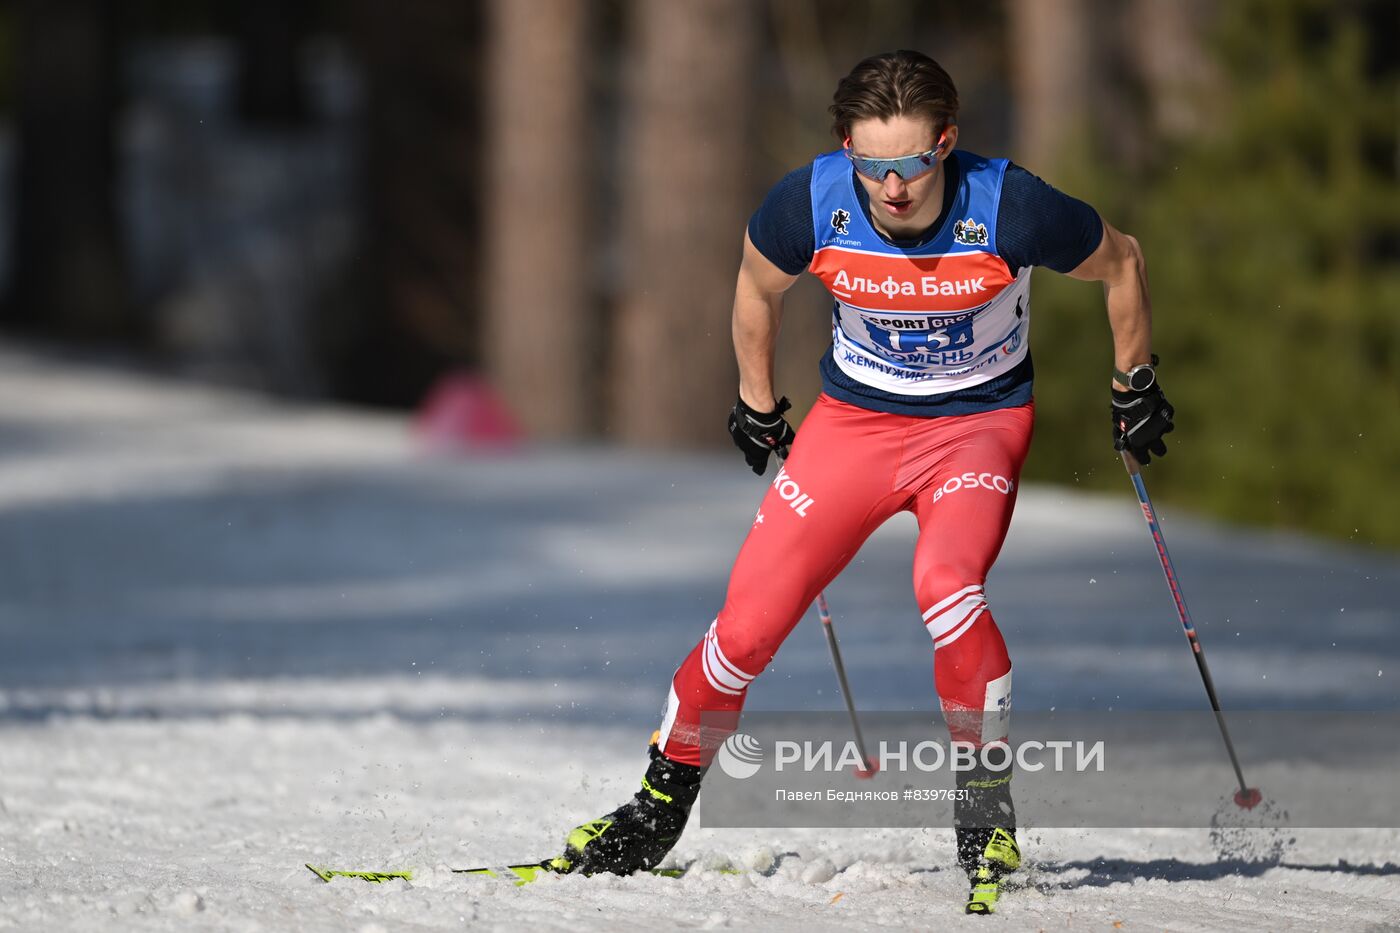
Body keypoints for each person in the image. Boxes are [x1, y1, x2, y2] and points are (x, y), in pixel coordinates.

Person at [551, 49, 1174, 914]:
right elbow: (757, 287)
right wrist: (756, 400)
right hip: (855, 426)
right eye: (873, 164)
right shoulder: (810, 200)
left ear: (946, 143)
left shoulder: (1011, 205)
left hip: (975, 425)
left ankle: (984, 812)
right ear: (847, 146)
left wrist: (1133, 382)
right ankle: (659, 804)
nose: (892, 187)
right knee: (744, 631)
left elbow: (1123, 262)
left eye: (913, 163)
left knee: (947, 589)